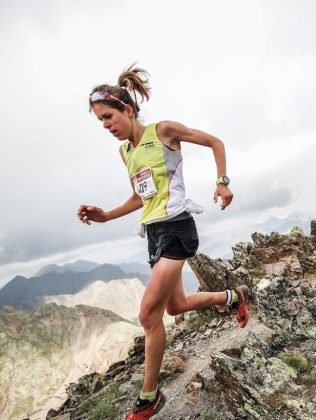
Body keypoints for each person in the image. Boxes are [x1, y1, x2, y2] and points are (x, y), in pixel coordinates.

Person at [77, 64, 250, 420]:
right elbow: (141, 198)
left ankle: (149, 398)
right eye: (101, 122)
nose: (107, 125)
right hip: (154, 232)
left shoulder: (164, 131)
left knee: (147, 315)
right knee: (176, 306)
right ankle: (234, 297)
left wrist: (223, 180)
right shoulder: (125, 153)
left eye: (109, 117)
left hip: (177, 227)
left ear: (128, 109)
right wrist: (105, 215)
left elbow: (215, 141)